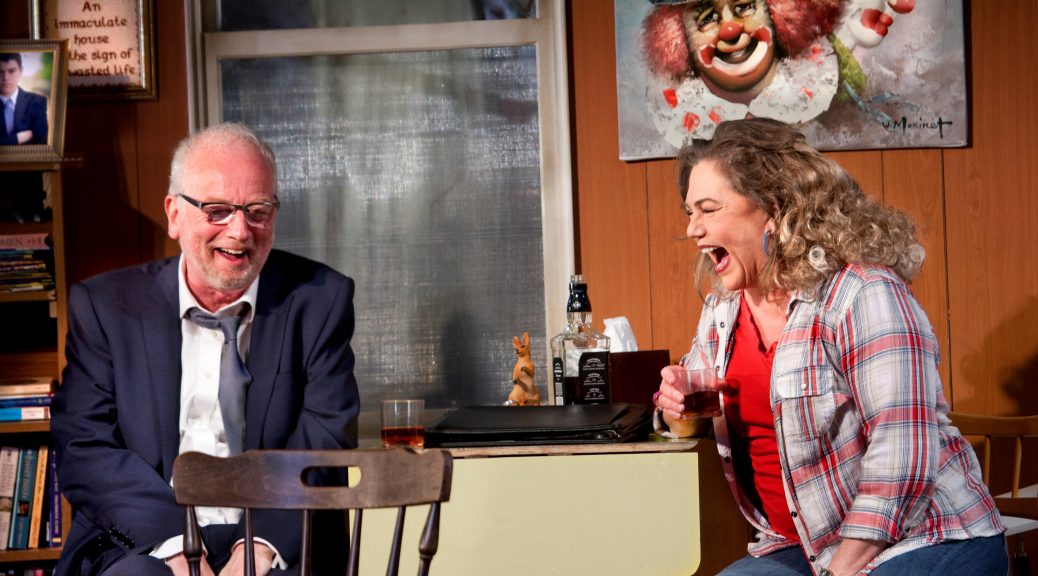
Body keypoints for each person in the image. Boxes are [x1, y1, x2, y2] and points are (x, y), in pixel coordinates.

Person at [653, 118, 1007, 576]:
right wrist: (675, 409)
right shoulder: (723, 312)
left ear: (773, 208)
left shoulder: (863, 293)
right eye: (689, 212)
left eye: (708, 209)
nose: (693, 229)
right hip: (807, 547)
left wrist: (839, 572)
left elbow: (902, 456)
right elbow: (690, 416)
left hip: (925, 535)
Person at [51, 123, 360, 576]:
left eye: (258, 211)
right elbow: (85, 446)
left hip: (274, 537)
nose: (240, 231)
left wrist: (255, 549)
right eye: (217, 211)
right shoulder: (105, 306)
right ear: (175, 214)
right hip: (148, 542)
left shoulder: (320, 300)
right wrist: (177, 548)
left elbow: (324, 439)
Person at [0, 52, 48, 145]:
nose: (6, 77)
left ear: (21, 71)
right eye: (0, 72)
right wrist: (17, 138)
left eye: (12, 71)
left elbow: (41, 140)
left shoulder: (37, 102)